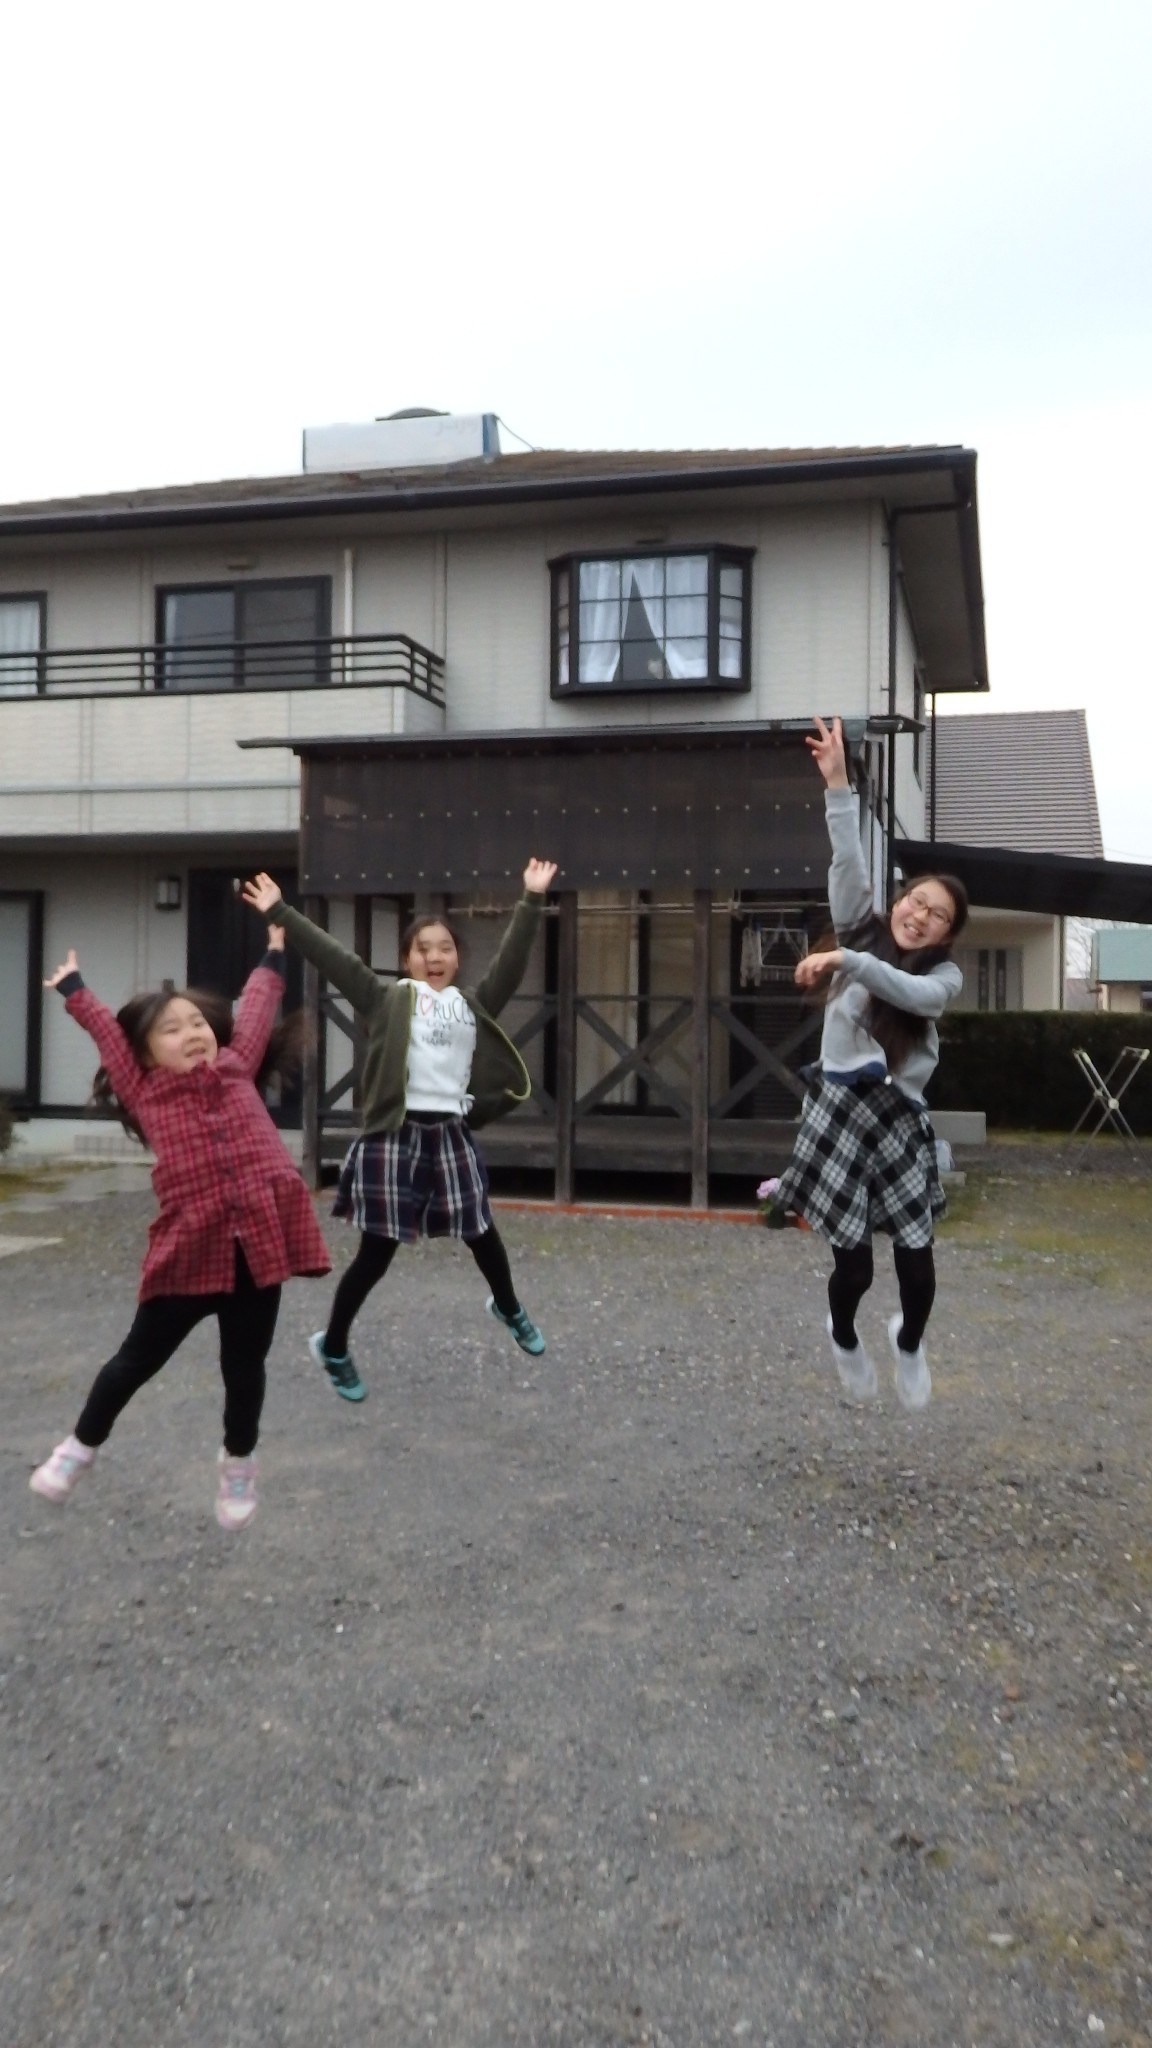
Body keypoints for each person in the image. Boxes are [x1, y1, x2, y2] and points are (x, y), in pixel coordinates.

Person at [29, 934, 331, 1527]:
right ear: (144, 1056)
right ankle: (79, 1448)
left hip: (257, 1252)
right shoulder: (144, 1090)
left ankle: (238, 1462)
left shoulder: (238, 1067)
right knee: (134, 1361)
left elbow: (257, 1010)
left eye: (197, 1023)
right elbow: (107, 1035)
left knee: (244, 1367)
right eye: (171, 1029)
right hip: (189, 1253)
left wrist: (273, 952)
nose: (192, 1032)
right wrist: (75, 989)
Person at [241, 861, 557, 1402]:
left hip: (450, 1133)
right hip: (395, 1135)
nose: (435, 957)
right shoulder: (386, 998)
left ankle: (507, 1306)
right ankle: (333, 1345)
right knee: (377, 1252)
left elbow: (512, 960)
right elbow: (332, 955)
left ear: (457, 958)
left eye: (445, 948)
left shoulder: (471, 1005)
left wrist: (530, 898)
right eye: (422, 949)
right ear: (406, 959)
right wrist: (280, 911)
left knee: (481, 1229)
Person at [771, 715, 968, 1410]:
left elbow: (909, 994)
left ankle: (908, 1343)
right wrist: (838, 784)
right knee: (852, 1265)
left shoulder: (942, 979)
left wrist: (845, 960)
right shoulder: (862, 926)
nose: (919, 914)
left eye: (936, 915)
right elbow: (847, 860)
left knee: (917, 1262)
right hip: (838, 1115)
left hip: (898, 1123)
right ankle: (845, 1337)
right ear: (900, 901)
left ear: (946, 933)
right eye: (916, 900)